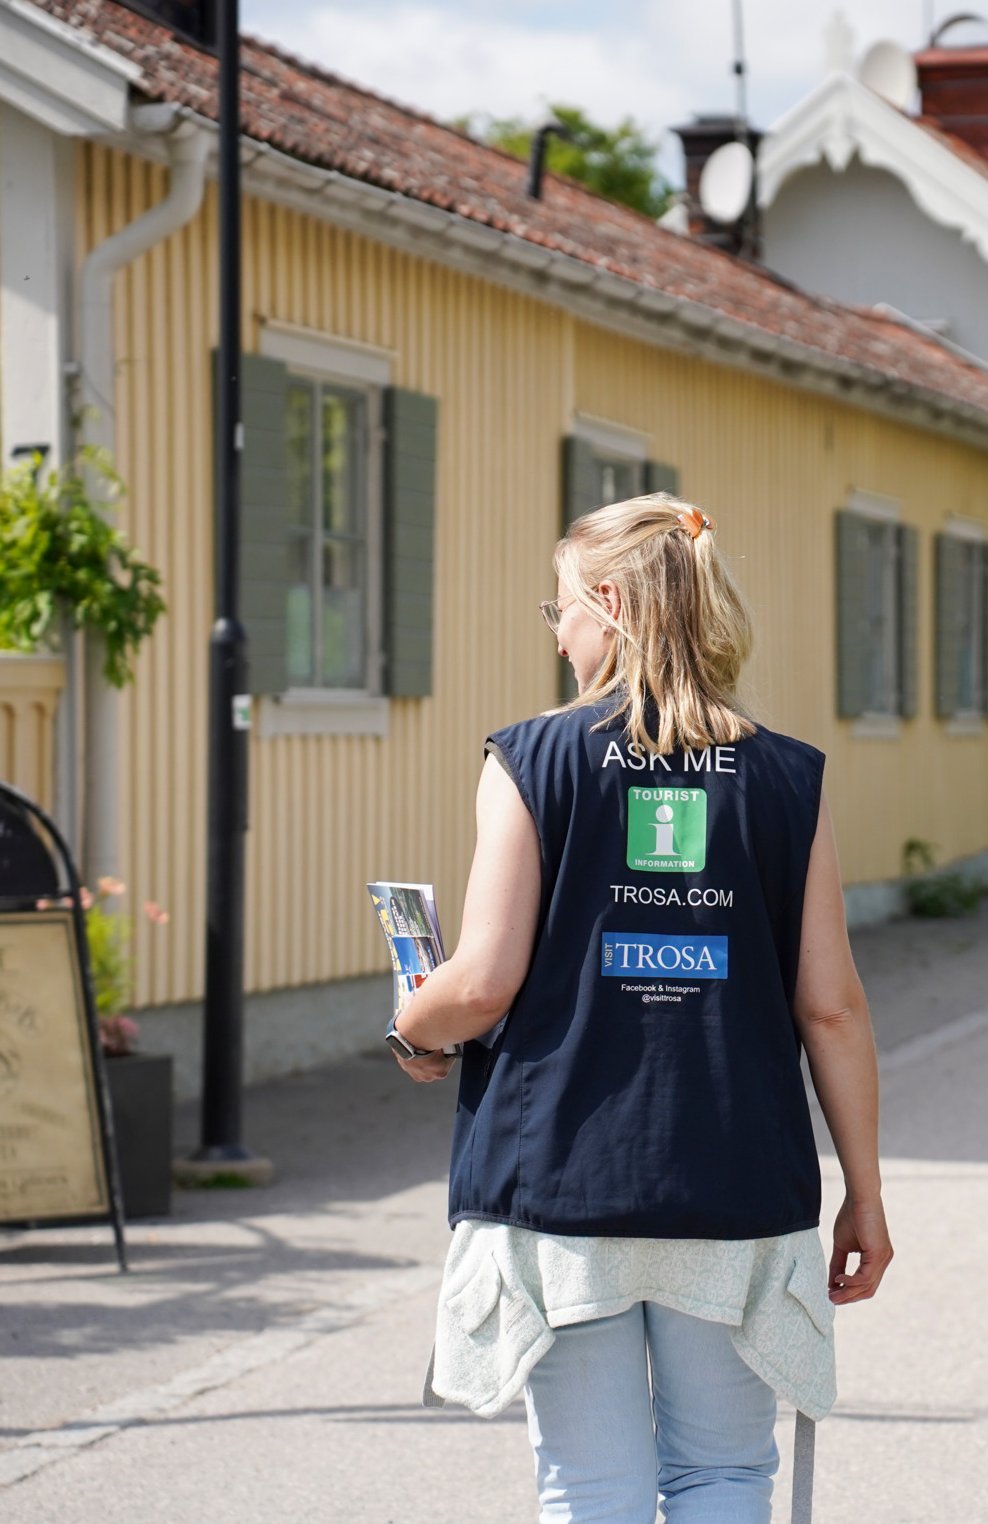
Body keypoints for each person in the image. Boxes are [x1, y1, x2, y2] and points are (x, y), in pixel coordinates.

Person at [389, 493, 890, 1523]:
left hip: (563, 1183)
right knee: (723, 1473)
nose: (557, 633)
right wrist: (865, 1193)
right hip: (735, 1181)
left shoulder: (531, 759)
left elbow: (479, 984)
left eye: (561, 608)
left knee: (591, 1485)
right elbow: (832, 1009)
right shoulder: (786, 777)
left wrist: (410, 1022)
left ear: (611, 604)